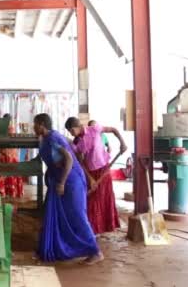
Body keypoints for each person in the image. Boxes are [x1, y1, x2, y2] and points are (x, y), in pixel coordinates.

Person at [34, 113, 103, 264]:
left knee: (77, 216)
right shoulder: (45, 139)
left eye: (35, 124)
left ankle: (95, 251)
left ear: (41, 125)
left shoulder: (54, 138)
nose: (33, 127)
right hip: (58, 179)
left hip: (71, 181)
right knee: (58, 215)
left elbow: (69, 160)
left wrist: (62, 183)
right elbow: (49, 159)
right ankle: (57, 248)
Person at [66, 117, 126, 234]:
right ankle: (92, 230)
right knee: (93, 201)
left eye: (70, 131)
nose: (71, 134)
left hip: (104, 168)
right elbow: (81, 163)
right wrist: (90, 179)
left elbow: (114, 130)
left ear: (75, 128)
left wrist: (122, 143)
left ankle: (105, 227)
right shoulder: (77, 143)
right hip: (91, 173)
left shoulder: (95, 129)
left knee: (105, 196)